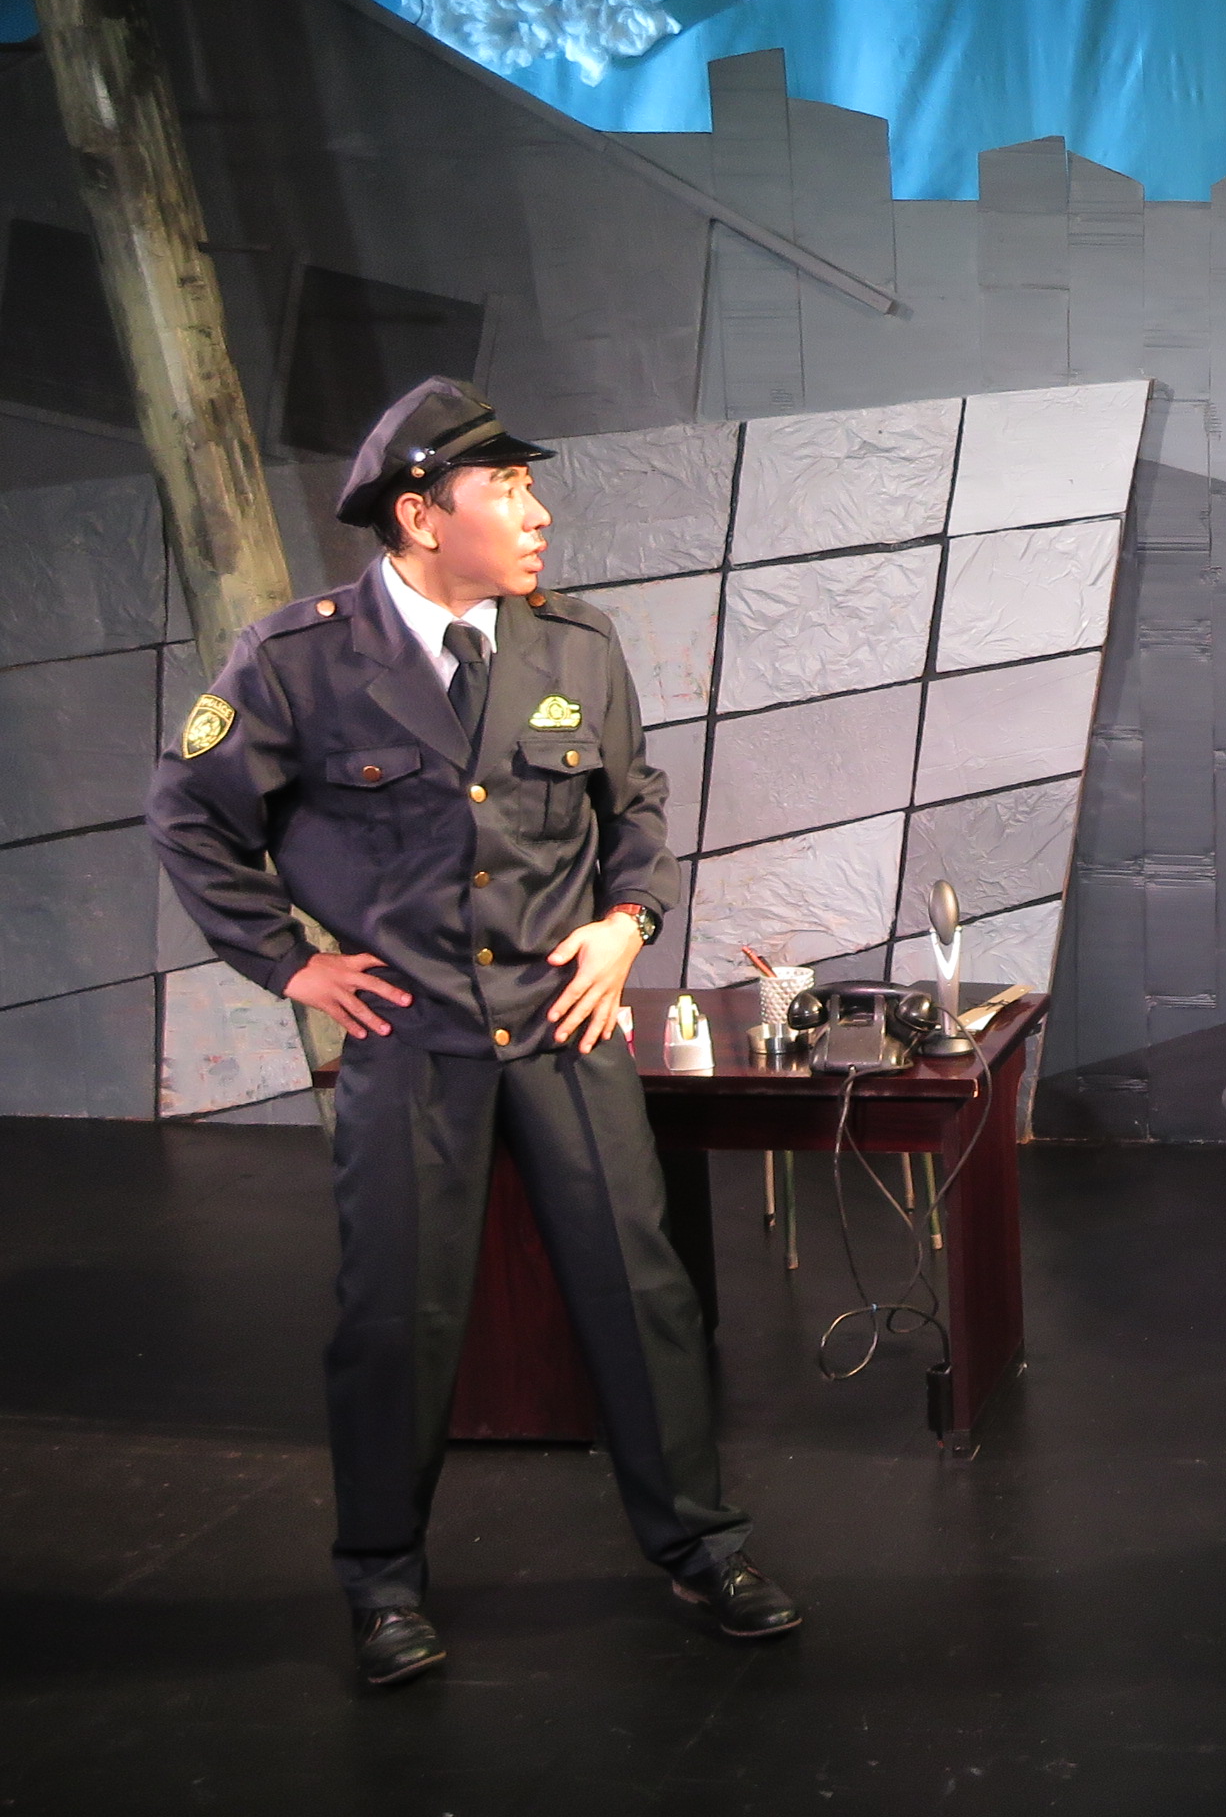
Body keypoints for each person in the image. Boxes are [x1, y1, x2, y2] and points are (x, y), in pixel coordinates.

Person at [148, 379, 797, 1685]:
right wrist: (289, 963)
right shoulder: (297, 660)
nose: (538, 511)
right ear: (420, 515)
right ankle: (384, 1583)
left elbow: (636, 808)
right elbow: (189, 816)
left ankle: (701, 1544)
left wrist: (627, 922)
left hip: (566, 1027)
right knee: (396, 1316)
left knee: (643, 1294)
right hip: (413, 1038)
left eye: (530, 486)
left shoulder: (577, 648)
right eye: (507, 489)